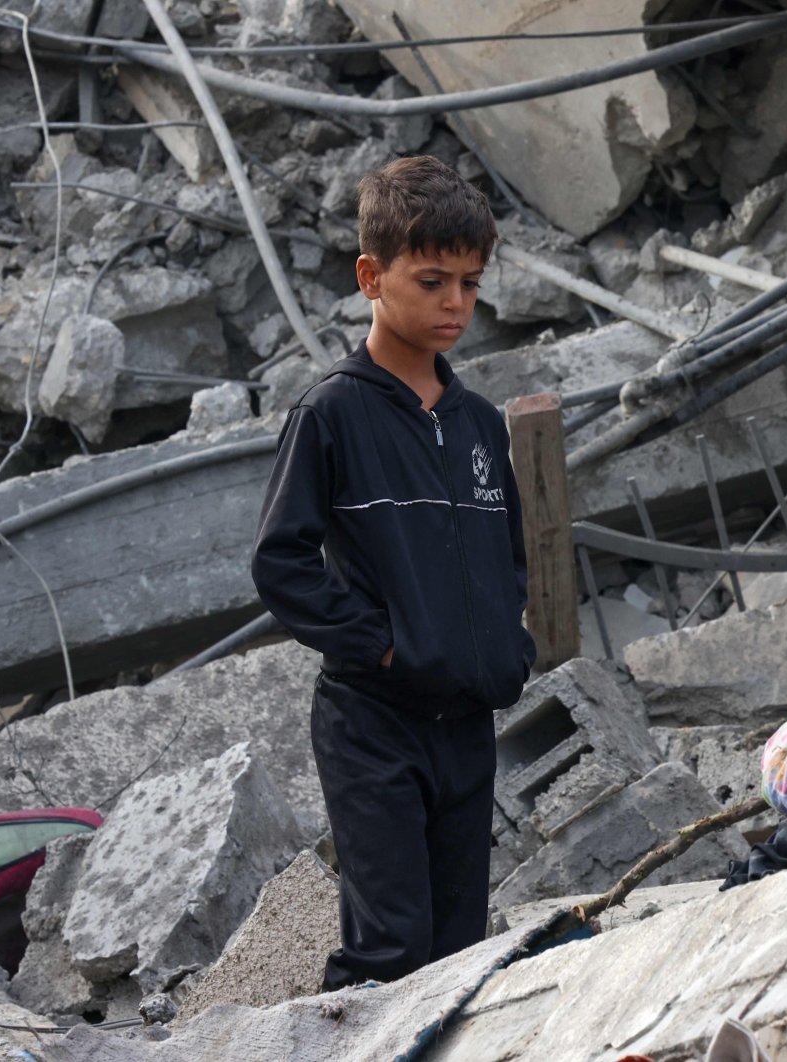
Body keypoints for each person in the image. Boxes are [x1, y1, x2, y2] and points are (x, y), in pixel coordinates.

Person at [251, 155, 535, 990]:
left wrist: (504, 648)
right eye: (432, 281)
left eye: (471, 284)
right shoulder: (331, 414)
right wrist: (382, 647)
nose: (456, 304)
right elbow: (281, 563)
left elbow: (508, 557)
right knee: (390, 951)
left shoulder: (479, 425)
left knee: (459, 950)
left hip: (466, 726)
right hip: (373, 723)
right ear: (372, 278)